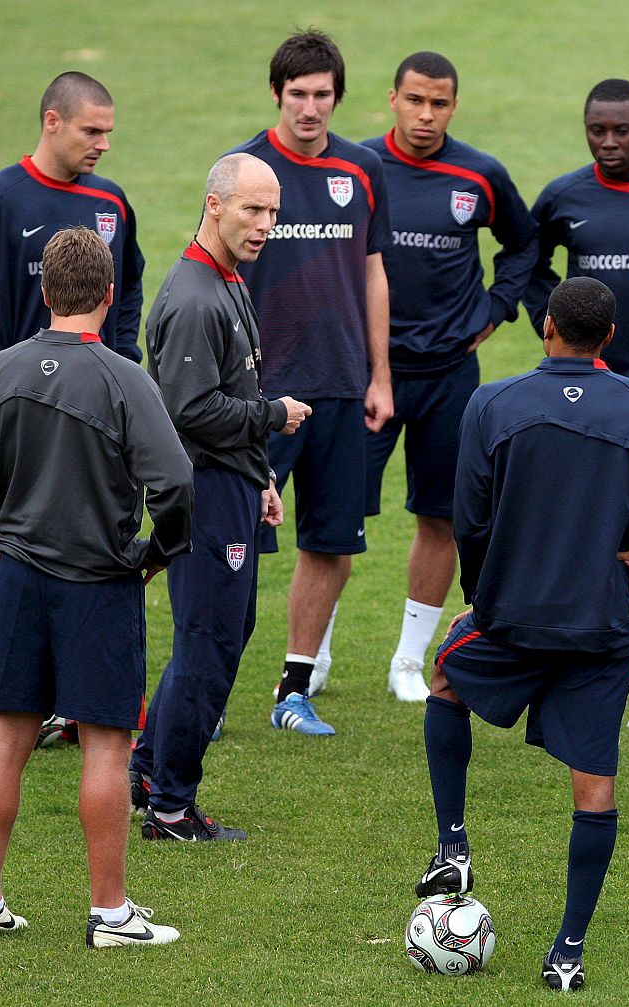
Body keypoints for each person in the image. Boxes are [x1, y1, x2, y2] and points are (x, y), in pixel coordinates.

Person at [417, 277, 629, 992]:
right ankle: (567, 951)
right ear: (608, 335)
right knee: (593, 791)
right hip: (601, 629)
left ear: (548, 328)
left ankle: (454, 845)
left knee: (444, 674)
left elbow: (468, 517)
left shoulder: (492, 402)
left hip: (513, 618)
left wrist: (484, 596)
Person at [0, 227, 192, 947]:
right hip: (99, 586)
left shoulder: (2, 369)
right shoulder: (125, 378)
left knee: (6, 739)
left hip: (20, 583)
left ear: (45, 293)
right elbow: (174, 484)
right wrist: (153, 554)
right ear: (107, 295)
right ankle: (110, 914)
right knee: (107, 742)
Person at [0, 71, 146, 756]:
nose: (104, 143)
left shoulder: (111, 202)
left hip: (95, 414)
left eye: (108, 130)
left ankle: (70, 705)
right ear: (51, 121)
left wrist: (121, 363)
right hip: (15, 418)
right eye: (91, 130)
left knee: (90, 548)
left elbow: (127, 285)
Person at [129, 154, 312, 841]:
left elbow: (226, 392)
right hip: (202, 490)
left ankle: (149, 770)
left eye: (272, 212)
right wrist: (273, 416)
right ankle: (172, 808)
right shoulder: (195, 297)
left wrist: (259, 476)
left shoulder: (226, 278)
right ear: (215, 205)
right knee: (210, 640)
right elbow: (188, 410)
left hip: (230, 483)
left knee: (223, 632)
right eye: (252, 210)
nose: (265, 224)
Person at [228, 29, 393, 733]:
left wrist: (379, 375)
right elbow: (217, 275)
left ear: (337, 97)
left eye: (322, 94)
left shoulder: (360, 169)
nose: (310, 108)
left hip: (339, 388)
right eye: (298, 93)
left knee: (330, 543)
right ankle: (206, 689)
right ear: (276, 94)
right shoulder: (243, 170)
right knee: (235, 545)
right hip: (259, 398)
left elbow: (374, 271)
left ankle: (293, 689)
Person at [362, 51, 537, 702]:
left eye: (439, 103)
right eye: (415, 100)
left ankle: (408, 660)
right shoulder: (358, 167)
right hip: (369, 373)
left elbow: (524, 242)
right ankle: (307, 662)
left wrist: (496, 307)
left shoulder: (480, 174)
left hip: (450, 376)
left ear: (454, 106)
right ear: (393, 98)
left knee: (440, 516)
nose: (426, 115)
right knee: (335, 517)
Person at [525, 78, 629, 695]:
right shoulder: (565, 195)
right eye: (598, 130)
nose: (610, 142)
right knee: (596, 519)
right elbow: (529, 261)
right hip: (586, 386)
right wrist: (553, 330)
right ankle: (624, 650)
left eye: (623, 130)